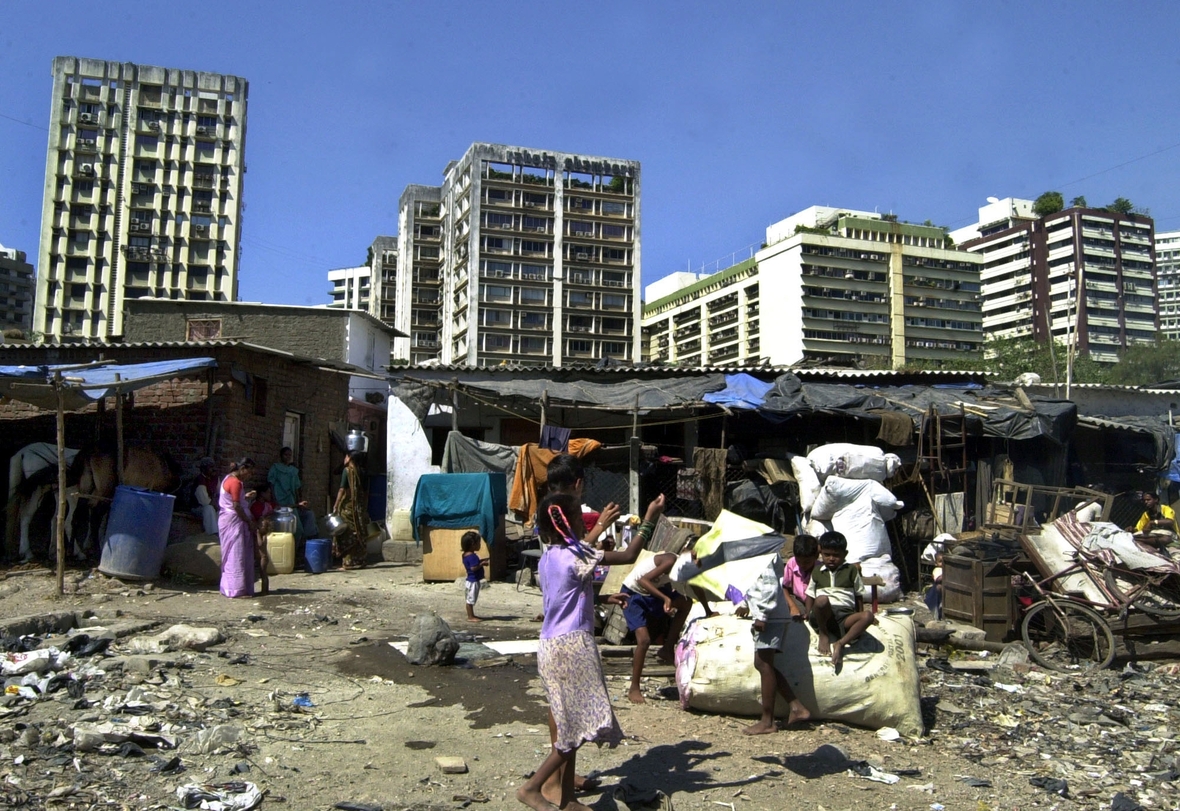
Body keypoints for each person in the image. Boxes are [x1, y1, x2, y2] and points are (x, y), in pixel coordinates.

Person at [516, 491, 664, 811]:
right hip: (574, 648)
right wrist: (650, 517)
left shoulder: (549, 557)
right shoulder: (578, 556)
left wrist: (601, 598)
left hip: (549, 648)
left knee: (571, 725)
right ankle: (532, 788)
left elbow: (566, 597)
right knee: (580, 730)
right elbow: (628, 556)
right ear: (573, 526)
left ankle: (567, 799)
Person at [734, 553, 812, 735]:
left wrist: (762, 615)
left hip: (771, 617)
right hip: (770, 615)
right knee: (764, 663)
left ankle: (768, 721)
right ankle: (796, 707)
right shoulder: (756, 550)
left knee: (763, 663)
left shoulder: (765, 552)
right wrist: (746, 603)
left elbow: (770, 585)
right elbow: (754, 582)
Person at [621, 550, 690, 704]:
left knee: (686, 603)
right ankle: (634, 687)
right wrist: (665, 599)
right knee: (644, 640)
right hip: (633, 593)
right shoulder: (670, 560)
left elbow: (696, 586)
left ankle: (667, 648)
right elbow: (643, 580)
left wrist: (708, 610)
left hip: (651, 594)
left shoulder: (686, 568)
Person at [805, 531, 874, 669]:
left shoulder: (851, 570)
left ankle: (840, 643)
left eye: (836, 555)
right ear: (821, 553)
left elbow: (858, 595)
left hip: (845, 617)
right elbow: (810, 594)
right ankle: (824, 634)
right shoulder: (817, 571)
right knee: (822, 600)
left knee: (868, 616)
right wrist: (807, 614)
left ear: (845, 554)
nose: (831, 558)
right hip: (823, 615)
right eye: (827, 554)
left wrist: (858, 614)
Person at [218, 458, 259, 599]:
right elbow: (236, 506)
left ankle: (228, 587)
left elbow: (232, 499)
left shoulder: (228, 479)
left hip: (227, 520)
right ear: (243, 469)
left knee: (231, 554)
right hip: (234, 522)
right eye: (249, 472)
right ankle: (237, 590)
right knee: (236, 555)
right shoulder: (236, 483)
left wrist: (245, 497)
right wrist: (248, 521)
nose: (249, 476)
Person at [268, 447, 316, 542]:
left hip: (291, 500)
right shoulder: (275, 468)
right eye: (286, 455)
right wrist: (273, 498)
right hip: (279, 499)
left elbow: (297, 487)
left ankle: (294, 549)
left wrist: (299, 502)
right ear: (281, 456)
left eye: (289, 455)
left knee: (297, 528)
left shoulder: (293, 471)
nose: (288, 457)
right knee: (280, 527)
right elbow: (271, 484)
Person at [332, 451, 370, 570]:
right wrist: (364, 508)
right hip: (359, 508)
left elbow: (342, 490)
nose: (345, 458)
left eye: (346, 456)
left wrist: (336, 504)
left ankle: (348, 562)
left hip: (348, 507)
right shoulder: (363, 472)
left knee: (346, 533)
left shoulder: (347, 471)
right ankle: (360, 560)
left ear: (350, 458)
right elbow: (366, 493)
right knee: (358, 531)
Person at [782, 534, 819, 615]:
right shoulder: (792, 563)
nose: (802, 565)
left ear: (816, 556)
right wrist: (792, 606)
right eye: (799, 561)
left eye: (807, 562)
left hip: (815, 603)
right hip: (798, 600)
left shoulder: (820, 569)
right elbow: (784, 587)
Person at [462, 530, 488, 623]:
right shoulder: (472, 556)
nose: (479, 545)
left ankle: (471, 615)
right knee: (470, 599)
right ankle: (470, 616)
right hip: (473, 581)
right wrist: (482, 564)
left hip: (471, 580)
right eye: (478, 543)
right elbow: (473, 568)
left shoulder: (465, 555)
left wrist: (480, 561)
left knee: (470, 598)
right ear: (473, 544)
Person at [193, 457, 219, 535]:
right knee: (209, 509)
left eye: (214, 466)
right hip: (198, 508)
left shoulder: (215, 479)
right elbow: (204, 502)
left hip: (213, 504)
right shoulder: (200, 480)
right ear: (204, 469)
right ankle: (212, 533)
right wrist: (214, 503)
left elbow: (220, 493)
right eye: (210, 467)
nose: (213, 469)